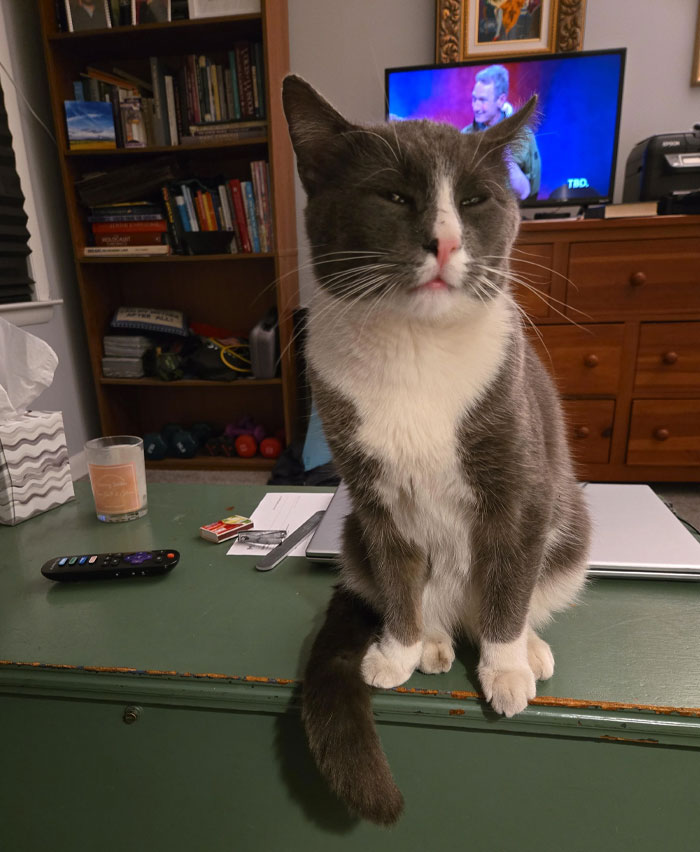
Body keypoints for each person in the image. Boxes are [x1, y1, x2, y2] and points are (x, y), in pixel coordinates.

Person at [462, 64, 541, 201]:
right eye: (474, 99)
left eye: (482, 100)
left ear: (501, 100)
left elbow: (531, 192)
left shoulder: (524, 136)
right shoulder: (464, 135)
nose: (476, 107)